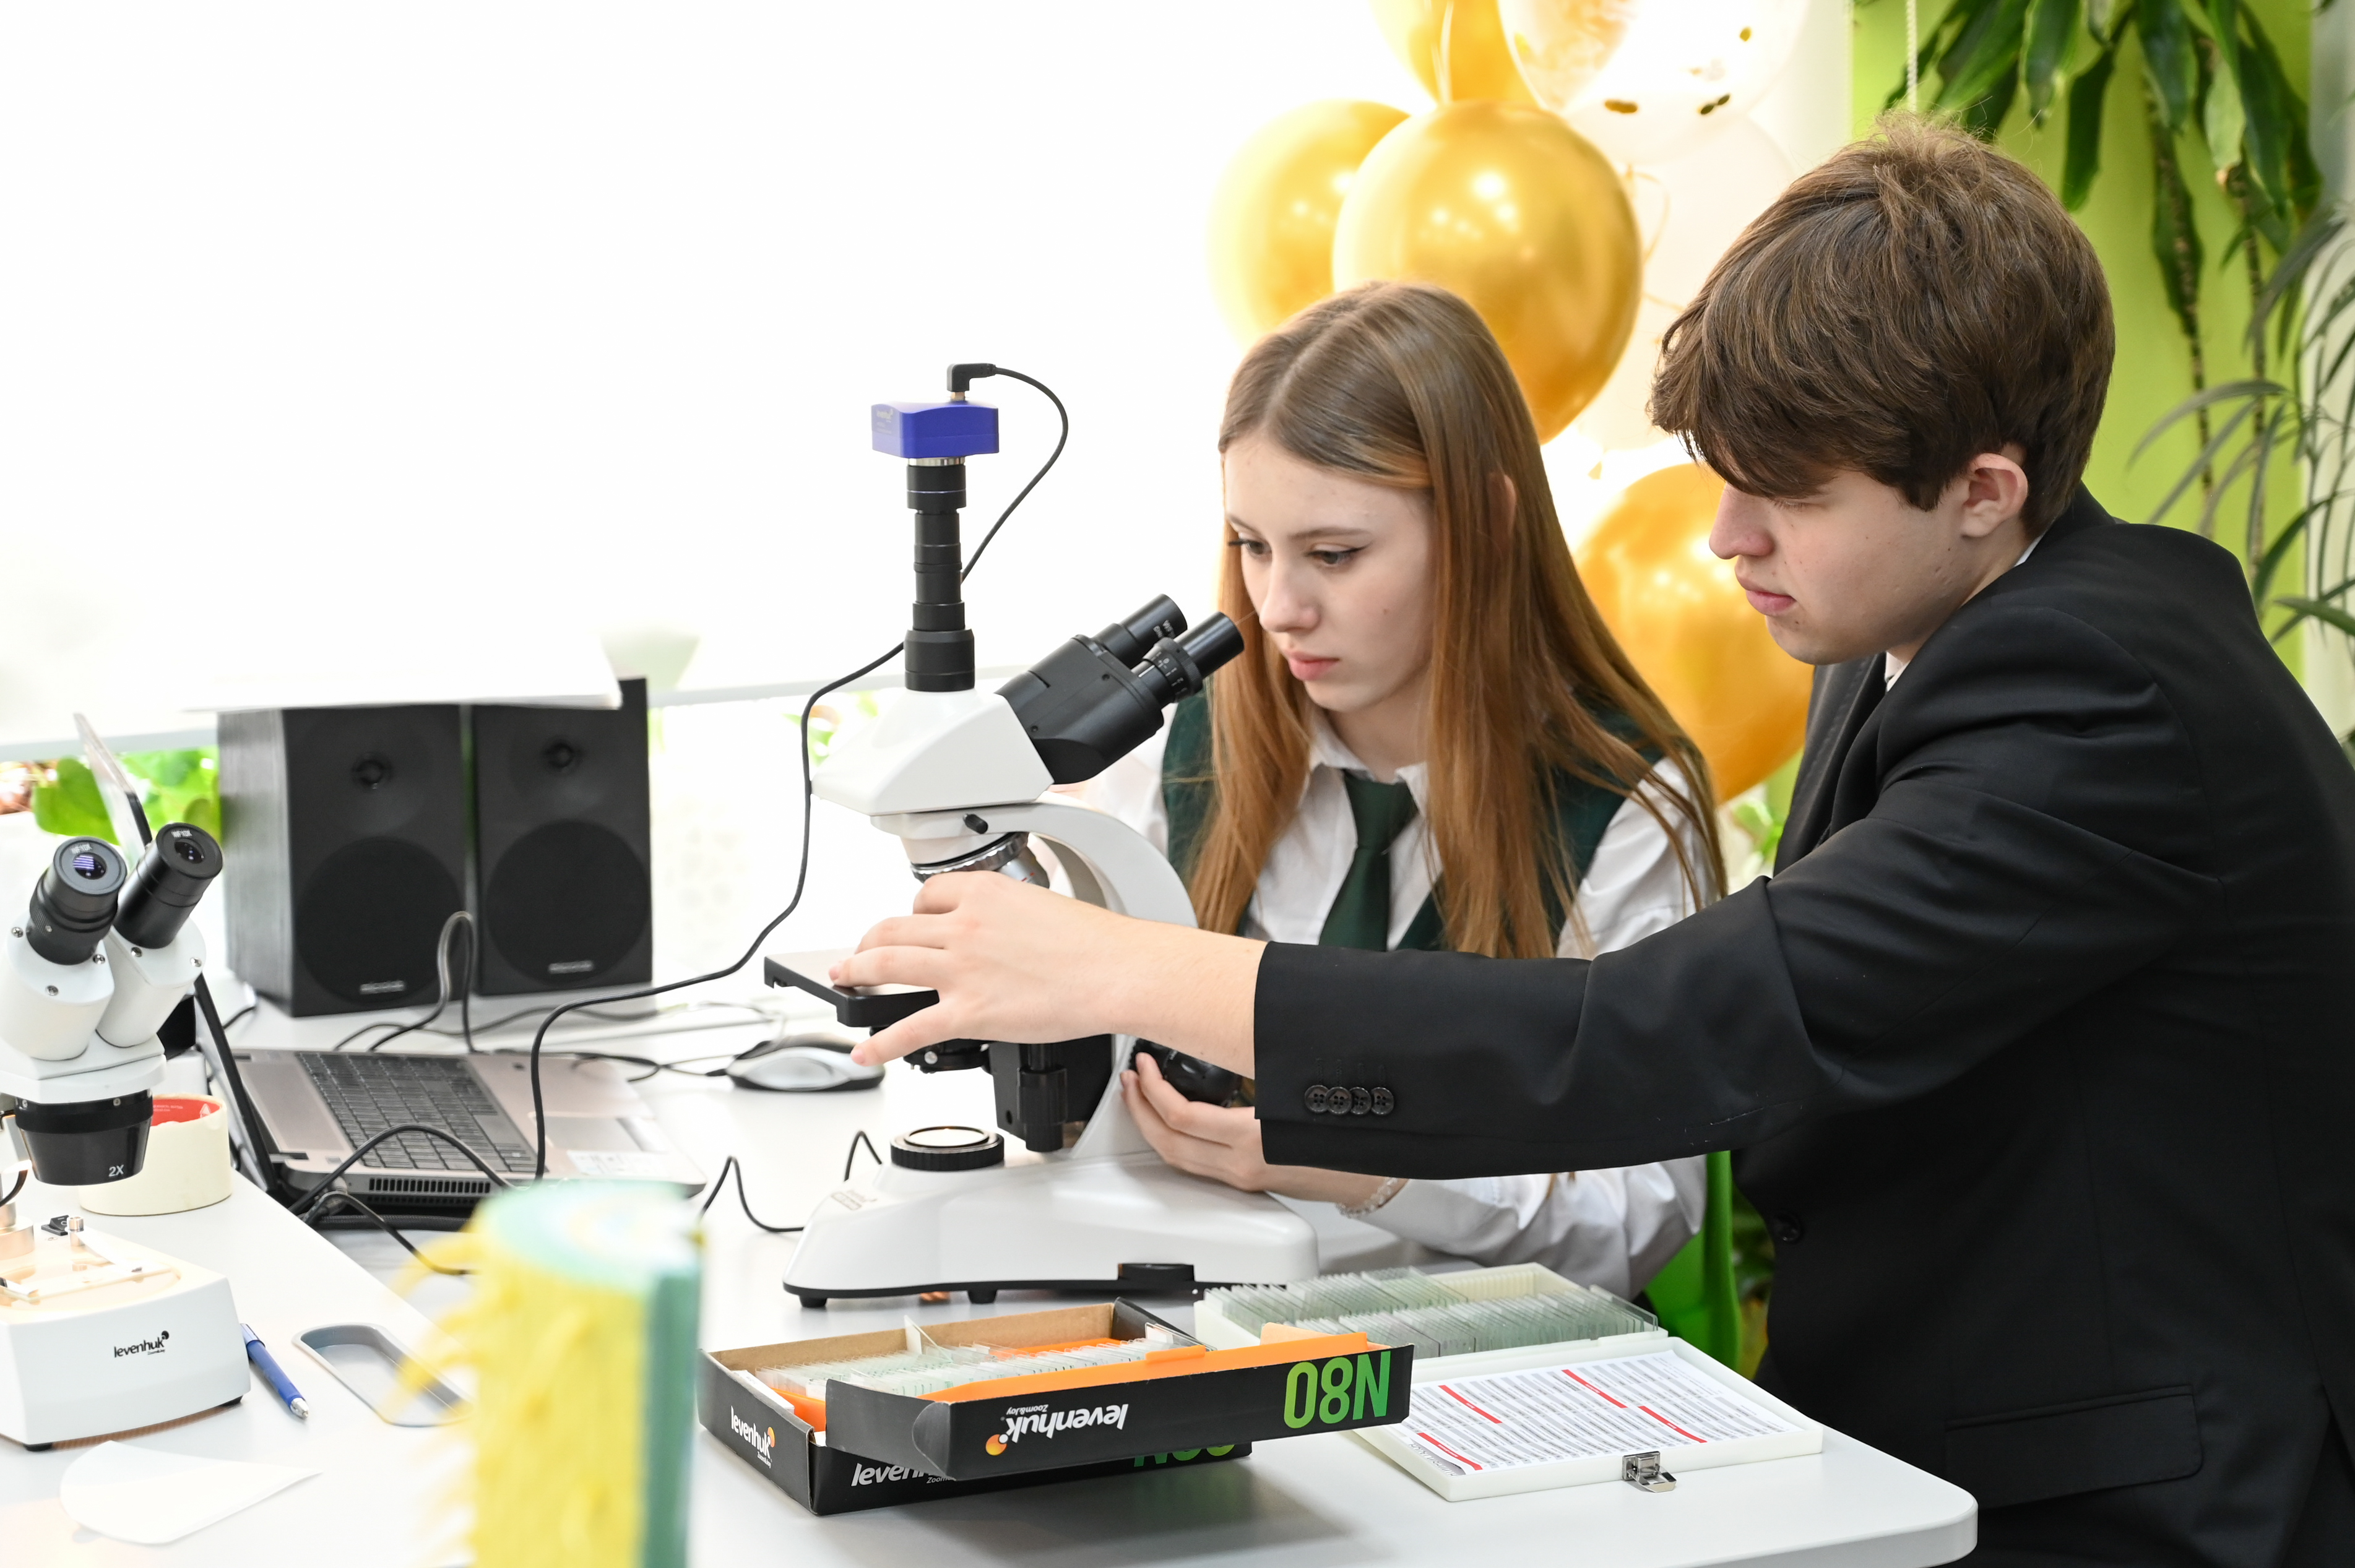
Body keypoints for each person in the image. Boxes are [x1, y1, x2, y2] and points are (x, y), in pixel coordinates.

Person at [839, 119, 2355, 1563]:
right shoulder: (1905, 623)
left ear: (1981, 491)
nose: (1726, 539)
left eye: (1784, 497)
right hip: (1918, 1431)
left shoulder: (2099, 695)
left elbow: (1671, 1026)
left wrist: (1132, 970)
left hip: (2131, 1501)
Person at [1084, 282, 1720, 1299]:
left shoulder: (1622, 804)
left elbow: (1633, 1219)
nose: (1278, 607)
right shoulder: (1179, 753)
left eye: (1334, 555)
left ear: (1485, 523)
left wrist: (1368, 1170)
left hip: (1487, 1364)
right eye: (1252, 545)